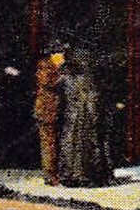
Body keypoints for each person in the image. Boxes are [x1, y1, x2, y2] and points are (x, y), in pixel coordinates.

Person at [60, 49, 111, 186]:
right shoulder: (83, 78)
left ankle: (77, 175)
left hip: (77, 116)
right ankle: (86, 175)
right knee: (85, 144)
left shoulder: (73, 77)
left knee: (80, 145)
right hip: (80, 116)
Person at [33, 48, 66, 184]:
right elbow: (47, 82)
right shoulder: (46, 66)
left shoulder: (49, 65)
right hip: (47, 110)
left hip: (55, 109)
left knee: (54, 143)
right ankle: (50, 175)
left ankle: (55, 173)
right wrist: (61, 77)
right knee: (49, 144)